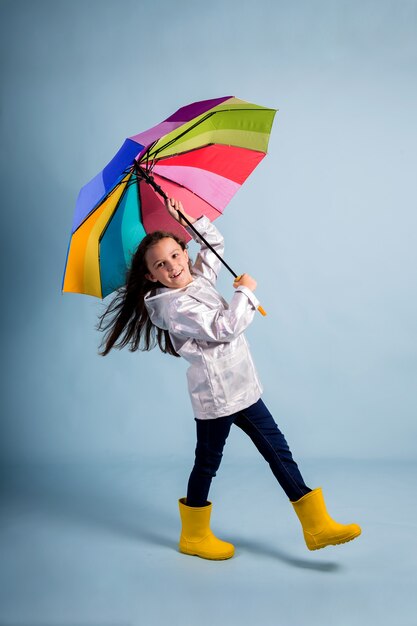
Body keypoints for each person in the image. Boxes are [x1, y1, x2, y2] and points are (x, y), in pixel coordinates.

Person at [98, 197, 361, 560]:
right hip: (217, 397)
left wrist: (185, 219)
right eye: (161, 264)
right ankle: (194, 536)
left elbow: (213, 245)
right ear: (150, 276)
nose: (172, 266)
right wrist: (245, 292)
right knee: (208, 462)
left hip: (243, 386)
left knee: (277, 449)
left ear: (183, 254)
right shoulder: (173, 307)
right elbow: (224, 327)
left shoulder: (198, 279)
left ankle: (316, 526)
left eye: (176, 255)